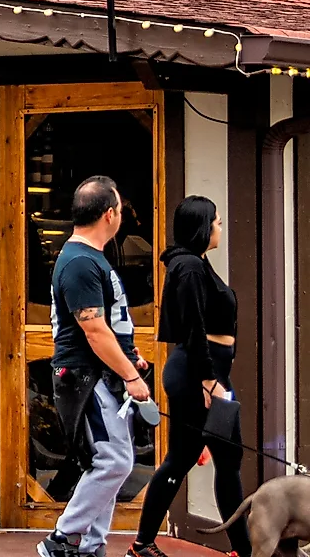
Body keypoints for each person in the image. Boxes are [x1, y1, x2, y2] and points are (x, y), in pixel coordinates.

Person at [131, 196, 244, 557]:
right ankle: (245, 550)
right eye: (218, 222)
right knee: (223, 462)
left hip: (205, 375)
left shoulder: (195, 263)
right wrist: (210, 381)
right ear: (203, 226)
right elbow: (193, 328)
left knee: (188, 459)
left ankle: (142, 544)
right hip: (199, 376)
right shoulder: (190, 267)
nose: (220, 228)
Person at [44, 176, 151, 557]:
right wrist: (131, 375)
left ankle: (89, 546)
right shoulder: (79, 263)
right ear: (109, 214)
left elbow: (107, 327)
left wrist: (129, 352)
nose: (121, 216)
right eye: (120, 209)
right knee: (114, 459)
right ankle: (63, 539)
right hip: (87, 377)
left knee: (105, 461)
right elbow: (93, 329)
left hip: (101, 376)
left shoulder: (89, 259)